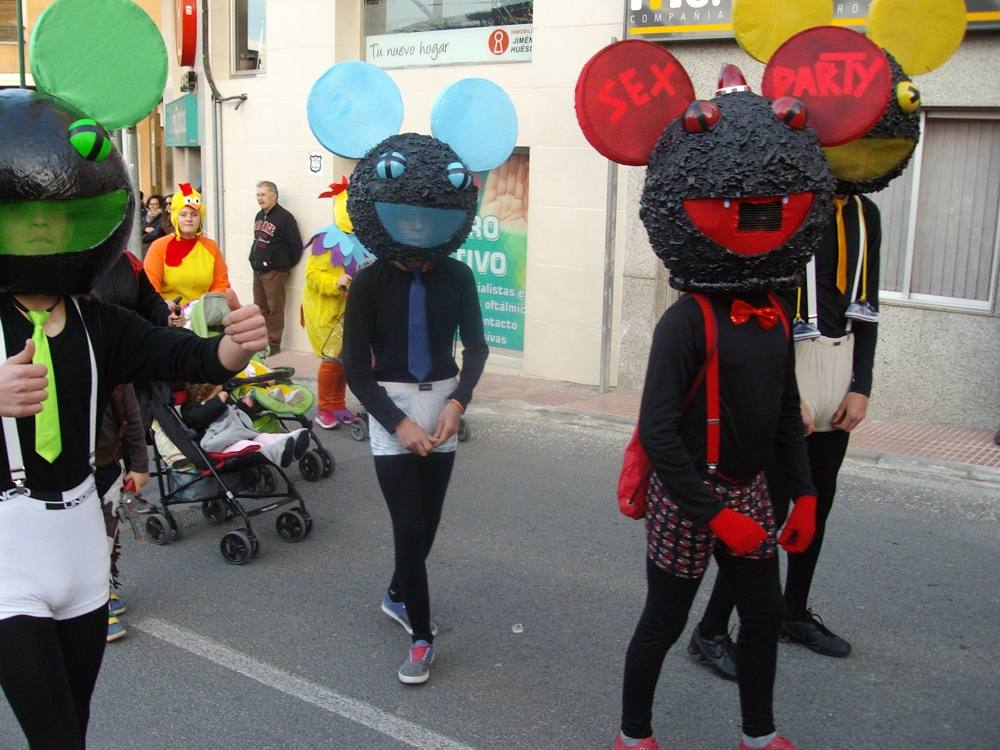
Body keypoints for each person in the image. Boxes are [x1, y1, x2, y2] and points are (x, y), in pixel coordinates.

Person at [572, 40, 889, 746]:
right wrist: (716, 515)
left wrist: (801, 491)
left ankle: (758, 732)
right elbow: (659, 435)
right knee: (664, 619)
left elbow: (781, 411)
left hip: (750, 491)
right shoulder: (685, 322)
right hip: (690, 499)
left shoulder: (776, 311)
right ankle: (632, 733)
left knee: (764, 617)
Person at [0, 85, 268, 750]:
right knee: (56, 737)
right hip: (6, 552)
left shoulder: (98, 321)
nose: (43, 229)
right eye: (24, 214)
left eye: (57, 217)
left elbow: (171, 351)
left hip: (83, 544)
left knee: (75, 729)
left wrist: (230, 348)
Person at [312, 64, 516, 686]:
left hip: (444, 405)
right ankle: (422, 636)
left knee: (427, 524)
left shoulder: (458, 276)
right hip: (390, 409)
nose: (422, 222)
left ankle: (399, 589)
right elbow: (354, 366)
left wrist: (459, 404)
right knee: (407, 523)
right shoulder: (370, 280)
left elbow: (476, 348)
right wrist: (398, 423)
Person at [303, 177, 372, 429]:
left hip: (350, 312)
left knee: (345, 360)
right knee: (332, 360)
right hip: (328, 311)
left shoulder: (362, 238)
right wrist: (337, 281)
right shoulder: (325, 238)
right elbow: (312, 275)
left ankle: (338, 404)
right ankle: (325, 408)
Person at [180, 382, 309, 467]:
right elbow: (200, 417)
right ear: (200, 397)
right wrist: (219, 401)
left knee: (264, 437)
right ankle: (279, 453)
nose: (223, 394)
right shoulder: (192, 410)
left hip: (240, 434)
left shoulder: (221, 401)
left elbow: (236, 415)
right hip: (220, 446)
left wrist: (245, 407)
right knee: (250, 446)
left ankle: (291, 439)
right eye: (217, 394)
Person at [143, 183, 231, 306]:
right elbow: (150, 288)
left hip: (204, 317)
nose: (189, 219)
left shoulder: (211, 246)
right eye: (183, 214)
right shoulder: (159, 246)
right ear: (175, 217)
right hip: (170, 317)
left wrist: (207, 308)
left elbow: (221, 285)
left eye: (194, 214)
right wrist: (164, 307)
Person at [250, 180, 302, 356]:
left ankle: (273, 345)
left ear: (274, 195)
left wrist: (282, 265)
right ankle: (260, 343)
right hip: (258, 270)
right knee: (259, 308)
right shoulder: (258, 215)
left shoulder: (285, 218)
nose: (259, 198)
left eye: (263, 194)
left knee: (275, 309)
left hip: (275, 272)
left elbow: (296, 246)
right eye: (258, 195)